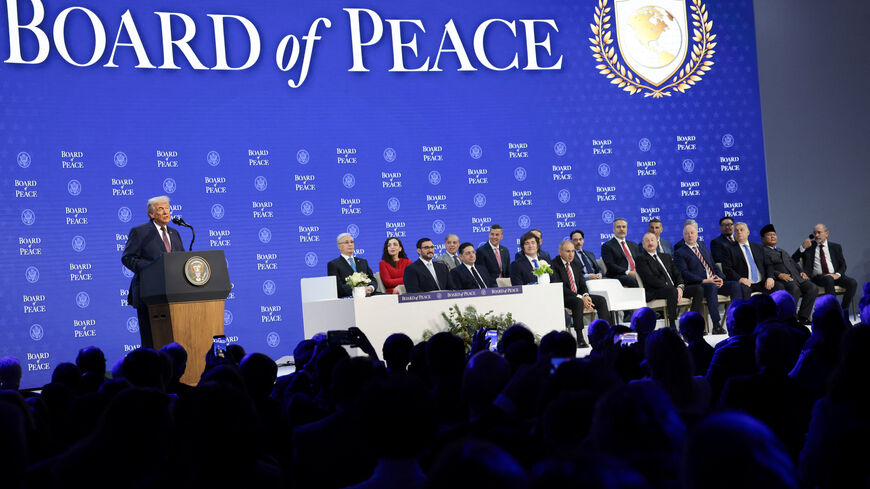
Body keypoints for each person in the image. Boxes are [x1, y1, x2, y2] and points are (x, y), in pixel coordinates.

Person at [122, 195, 186, 348]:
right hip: (148, 293)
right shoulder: (140, 232)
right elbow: (128, 257)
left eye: (167, 209)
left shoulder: (175, 233)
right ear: (151, 214)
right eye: (161, 209)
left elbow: (181, 260)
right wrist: (153, 269)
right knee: (152, 341)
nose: (166, 212)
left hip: (174, 295)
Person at [674, 221, 741, 335]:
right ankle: (716, 325)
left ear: (697, 234)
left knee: (735, 285)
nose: (689, 235)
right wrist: (704, 280)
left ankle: (737, 320)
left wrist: (719, 278)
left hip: (713, 281)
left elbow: (713, 266)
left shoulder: (702, 246)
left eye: (692, 233)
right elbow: (684, 273)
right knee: (711, 287)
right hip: (699, 284)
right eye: (686, 233)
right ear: (683, 235)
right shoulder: (680, 252)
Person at [635, 232, 704, 328]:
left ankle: (692, 322)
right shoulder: (640, 259)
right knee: (671, 291)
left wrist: (680, 286)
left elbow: (677, 274)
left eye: (652, 240)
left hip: (673, 289)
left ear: (657, 243)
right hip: (656, 291)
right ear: (643, 244)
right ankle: (672, 325)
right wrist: (673, 289)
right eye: (647, 240)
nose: (650, 242)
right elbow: (650, 279)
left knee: (698, 289)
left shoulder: (666, 256)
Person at [550, 240, 610, 347]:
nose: (571, 254)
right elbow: (560, 286)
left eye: (573, 251)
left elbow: (582, 284)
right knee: (578, 302)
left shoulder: (576, 263)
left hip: (579, 295)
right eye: (568, 251)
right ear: (560, 252)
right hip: (564, 296)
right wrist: (580, 297)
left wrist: (586, 295)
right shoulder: (554, 264)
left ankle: (604, 334)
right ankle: (580, 338)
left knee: (601, 300)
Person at [792, 223, 857, 314]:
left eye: (819, 233)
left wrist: (837, 275)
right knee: (828, 279)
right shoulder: (809, 246)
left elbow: (843, 265)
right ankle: (833, 311)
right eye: (814, 233)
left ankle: (843, 311)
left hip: (834, 276)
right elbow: (792, 260)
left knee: (852, 282)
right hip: (818, 278)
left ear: (827, 233)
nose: (816, 235)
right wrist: (803, 247)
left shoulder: (836, 247)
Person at [760, 224, 817, 324]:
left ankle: (803, 316)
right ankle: (791, 317)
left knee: (812, 288)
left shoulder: (782, 250)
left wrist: (801, 272)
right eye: (769, 235)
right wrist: (779, 275)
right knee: (794, 289)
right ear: (762, 239)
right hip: (782, 279)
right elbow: (765, 268)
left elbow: (793, 263)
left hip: (796, 277)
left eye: (774, 234)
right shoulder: (762, 252)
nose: (772, 236)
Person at [721, 222, 779, 299]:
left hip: (762, 282)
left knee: (779, 287)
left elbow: (769, 264)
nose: (739, 232)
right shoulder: (729, 249)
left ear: (748, 232)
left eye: (741, 230)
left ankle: (777, 311)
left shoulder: (758, 247)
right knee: (743, 291)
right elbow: (727, 269)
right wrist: (740, 279)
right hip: (745, 283)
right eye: (736, 231)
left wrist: (770, 277)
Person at [327, 233, 376, 298]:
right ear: (339, 246)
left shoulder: (363, 262)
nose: (350, 244)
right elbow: (338, 287)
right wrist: (359, 290)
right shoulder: (333, 264)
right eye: (346, 242)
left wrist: (371, 287)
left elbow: (372, 279)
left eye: (352, 242)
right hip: (349, 298)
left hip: (368, 296)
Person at [601, 218, 640, 287]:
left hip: (635, 273)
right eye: (618, 227)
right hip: (618, 275)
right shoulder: (607, 246)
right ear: (614, 229)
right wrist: (628, 272)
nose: (621, 229)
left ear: (627, 229)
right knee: (631, 280)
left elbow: (640, 261)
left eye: (624, 227)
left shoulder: (633, 245)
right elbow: (610, 265)